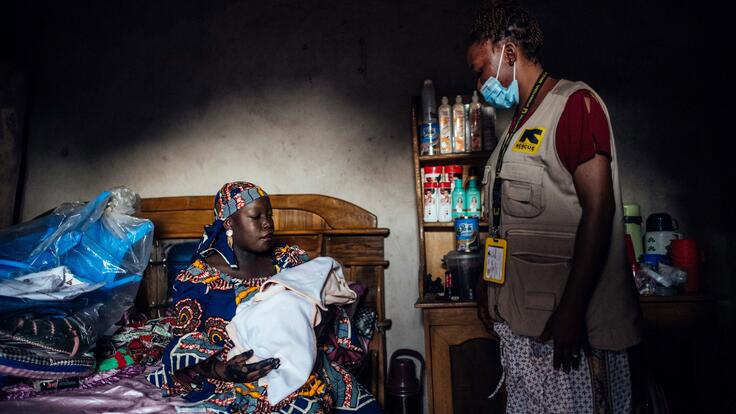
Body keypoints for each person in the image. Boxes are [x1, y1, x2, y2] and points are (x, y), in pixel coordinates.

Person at [468, 3, 642, 413]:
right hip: (523, 329)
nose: (478, 84)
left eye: (480, 70)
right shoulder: (517, 125)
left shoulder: (574, 106)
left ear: (509, 53)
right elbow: (504, 224)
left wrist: (572, 310)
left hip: (564, 331)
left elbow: (599, 209)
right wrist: (487, 285)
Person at [147, 182, 380, 413]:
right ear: (229, 223)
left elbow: (324, 306)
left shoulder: (291, 261)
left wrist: (306, 323)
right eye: (255, 217)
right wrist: (221, 370)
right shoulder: (199, 278)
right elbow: (184, 341)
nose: (267, 224)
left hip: (304, 364)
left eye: (269, 215)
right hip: (234, 378)